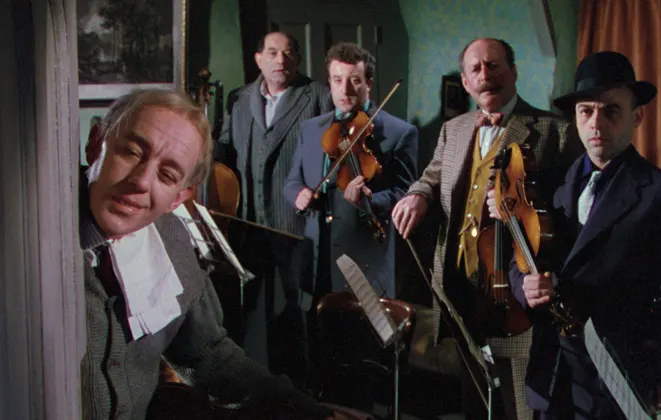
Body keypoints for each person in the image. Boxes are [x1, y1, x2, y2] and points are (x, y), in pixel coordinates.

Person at [80, 88, 346, 420]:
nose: (141, 182)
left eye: (167, 175)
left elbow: (208, 357)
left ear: (179, 197)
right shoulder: (32, 239)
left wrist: (314, 415)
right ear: (96, 144)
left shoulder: (172, 240)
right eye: (132, 152)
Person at [486, 51, 661, 419]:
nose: (596, 123)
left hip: (613, 384)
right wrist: (525, 288)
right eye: (586, 111)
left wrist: (643, 377)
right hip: (550, 378)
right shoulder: (549, 184)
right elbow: (520, 262)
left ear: (636, 117)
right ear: (575, 117)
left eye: (611, 111)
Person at [391, 38, 582, 420]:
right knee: (475, 398)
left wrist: (520, 206)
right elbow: (432, 175)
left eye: (494, 66)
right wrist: (418, 195)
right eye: (475, 69)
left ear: (513, 72)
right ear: (465, 82)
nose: (485, 75)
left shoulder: (554, 131)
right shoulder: (453, 129)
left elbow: (569, 214)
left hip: (515, 296)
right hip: (460, 287)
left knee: (522, 405)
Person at [283, 42, 418, 408]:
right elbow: (292, 180)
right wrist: (297, 194)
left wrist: (370, 199)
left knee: (362, 368)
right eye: (337, 79)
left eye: (354, 80)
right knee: (319, 362)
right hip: (317, 260)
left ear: (369, 83)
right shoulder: (312, 129)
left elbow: (406, 193)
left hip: (364, 260)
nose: (345, 90)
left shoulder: (399, 132)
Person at [215, 31, 332, 379]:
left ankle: (304, 384)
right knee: (249, 310)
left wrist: (316, 189)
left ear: (298, 59)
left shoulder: (318, 95)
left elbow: (335, 153)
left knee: (299, 310)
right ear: (258, 59)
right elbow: (225, 148)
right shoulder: (239, 98)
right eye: (272, 52)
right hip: (249, 222)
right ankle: (252, 380)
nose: (281, 60)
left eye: (289, 53)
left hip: (296, 223)